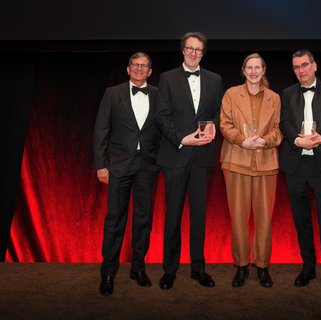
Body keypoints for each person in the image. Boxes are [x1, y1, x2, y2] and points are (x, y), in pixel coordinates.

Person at [156, 32, 223, 290]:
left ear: (203, 53)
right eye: (190, 49)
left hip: (203, 157)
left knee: (199, 215)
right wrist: (183, 139)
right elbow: (162, 116)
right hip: (176, 154)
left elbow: (217, 112)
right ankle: (169, 270)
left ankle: (198, 268)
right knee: (172, 215)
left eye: (199, 50)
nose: (194, 53)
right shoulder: (167, 78)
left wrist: (213, 127)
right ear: (182, 50)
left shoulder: (215, 79)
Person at [93, 52, 160, 296]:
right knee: (114, 221)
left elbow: (166, 126)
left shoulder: (158, 94)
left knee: (143, 220)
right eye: (135, 65)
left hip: (147, 165)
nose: (140, 68)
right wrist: (101, 164)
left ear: (150, 71)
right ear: (128, 68)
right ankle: (108, 273)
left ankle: (138, 269)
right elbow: (101, 129)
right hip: (118, 166)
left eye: (144, 66)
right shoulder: (113, 93)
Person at [279, 50, 321, 295]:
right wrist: (297, 141)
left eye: (305, 65)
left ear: (314, 65)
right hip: (295, 164)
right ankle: (308, 266)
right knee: (301, 219)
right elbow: (284, 123)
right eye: (296, 67)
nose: (301, 70)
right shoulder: (287, 93)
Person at [220, 53, 283, 288]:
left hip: (266, 162)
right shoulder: (230, 94)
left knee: (264, 218)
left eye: (258, 67)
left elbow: (279, 129)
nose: (254, 71)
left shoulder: (275, 98)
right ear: (243, 71)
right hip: (236, 160)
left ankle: (263, 266)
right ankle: (242, 266)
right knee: (238, 216)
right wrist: (241, 140)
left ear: (264, 70)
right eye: (249, 67)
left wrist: (265, 141)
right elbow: (224, 124)